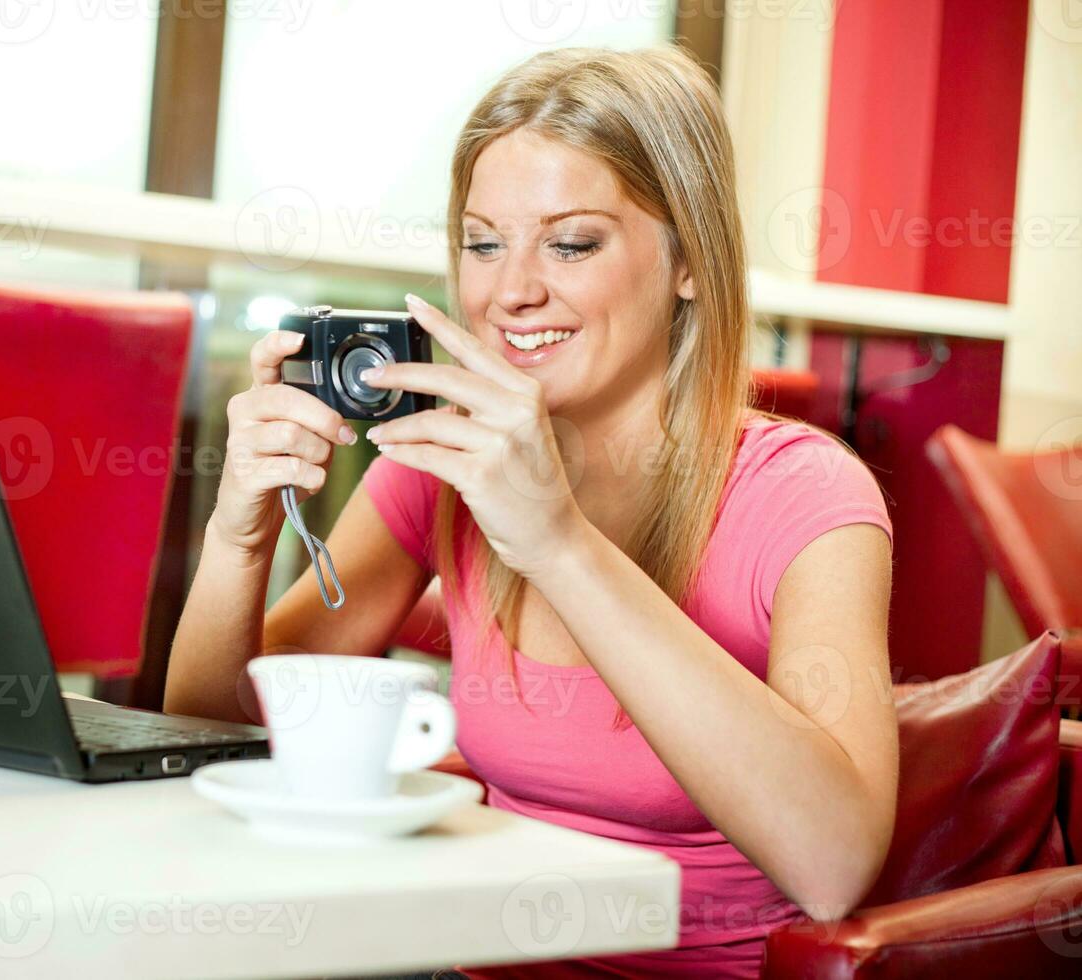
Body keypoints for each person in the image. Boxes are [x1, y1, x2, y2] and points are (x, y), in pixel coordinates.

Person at [165, 45, 897, 978]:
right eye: (482, 243)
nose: (509, 293)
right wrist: (239, 532)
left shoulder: (806, 494)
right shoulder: (442, 463)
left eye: (572, 243)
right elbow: (209, 738)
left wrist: (557, 542)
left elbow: (832, 865)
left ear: (689, 263)